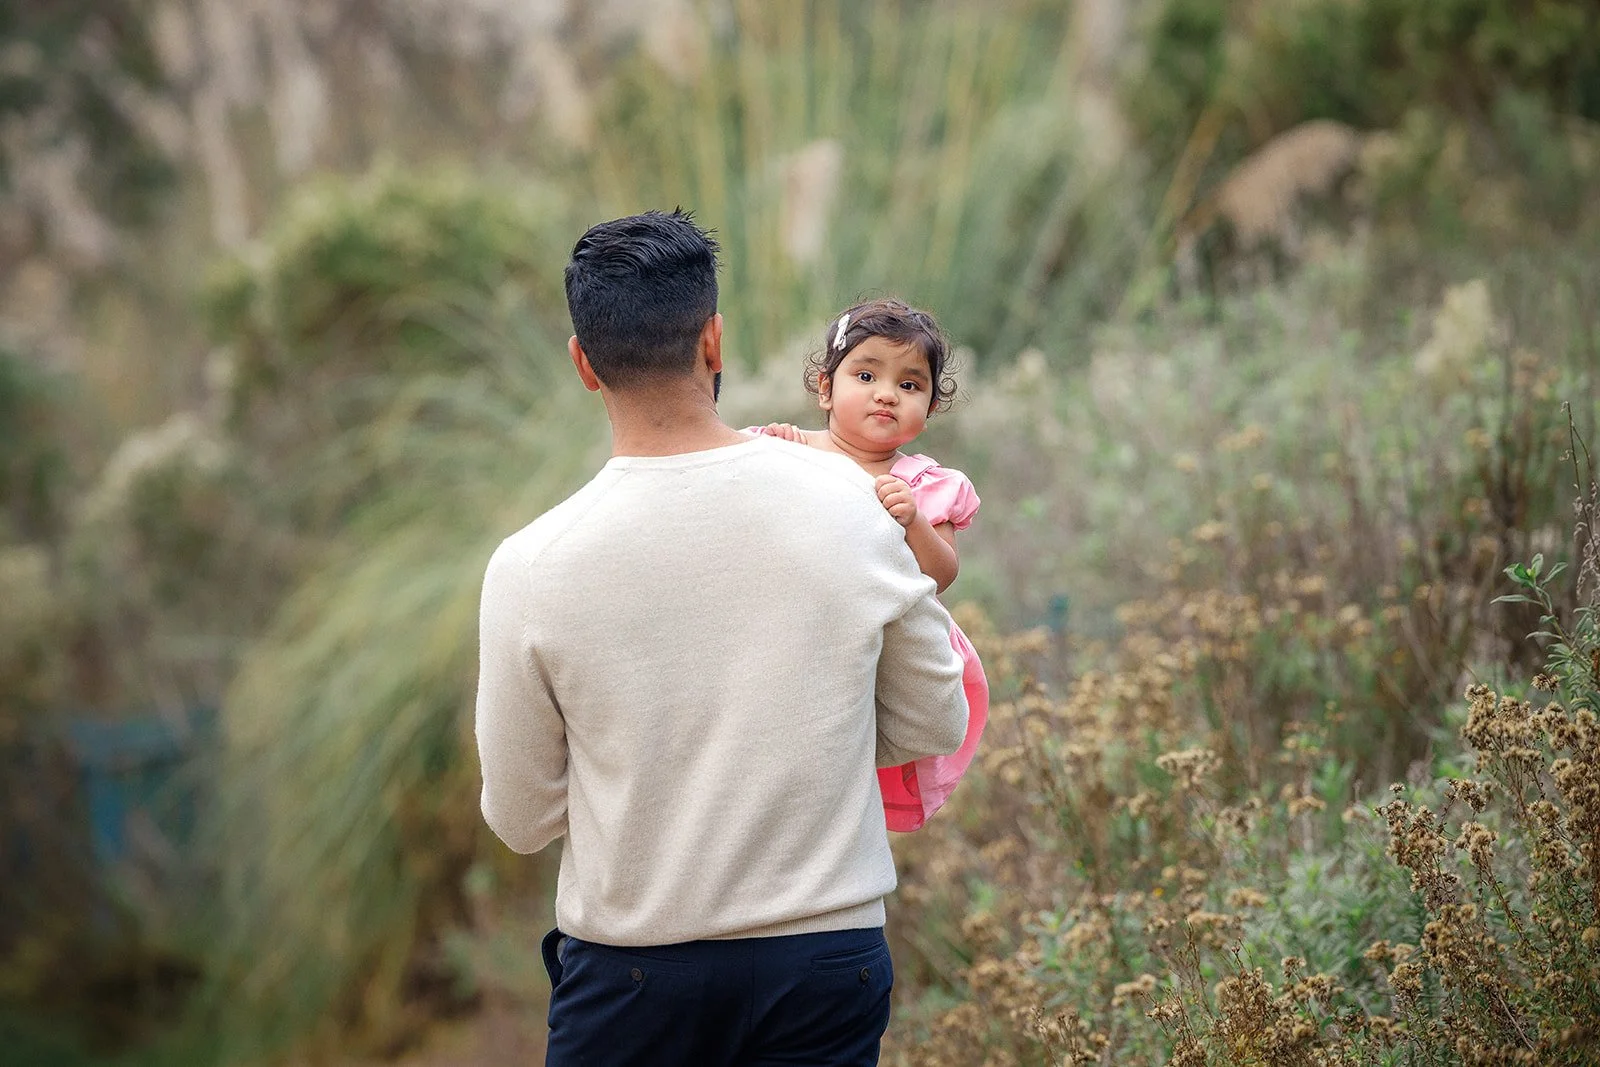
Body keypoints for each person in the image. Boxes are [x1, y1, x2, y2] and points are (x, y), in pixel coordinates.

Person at [473, 211, 969, 1067]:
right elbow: (934, 720)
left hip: (632, 978)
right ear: (714, 341)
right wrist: (808, 739)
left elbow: (520, 816)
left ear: (584, 364)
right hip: (826, 958)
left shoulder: (531, 565)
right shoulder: (854, 503)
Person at [750, 298, 989, 831]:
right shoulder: (787, 450)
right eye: (865, 374)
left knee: (856, 754)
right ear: (826, 389)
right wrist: (773, 457)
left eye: (910, 385)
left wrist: (913, 524)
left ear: (928, 409)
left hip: (887, 645)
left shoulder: (925, 483)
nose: (887, 393)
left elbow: (942, 575)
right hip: (796, 637)